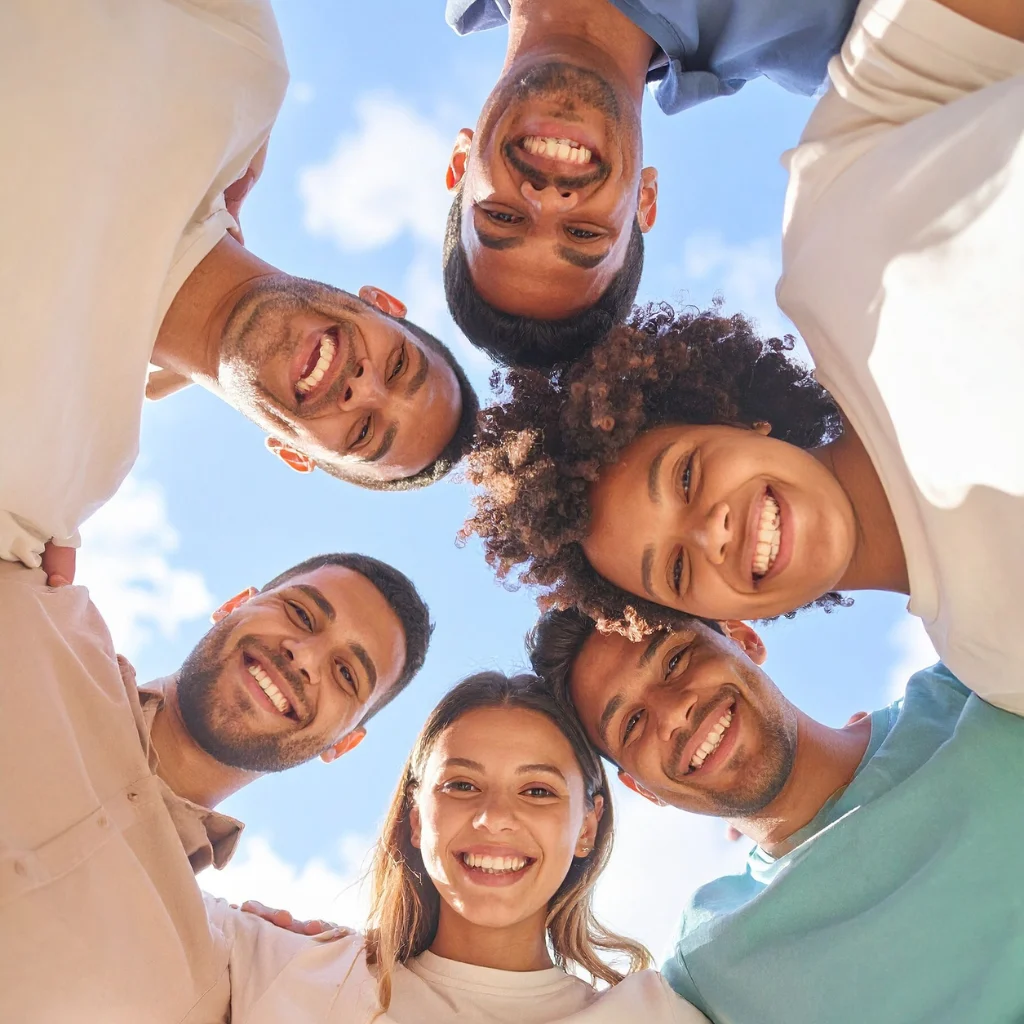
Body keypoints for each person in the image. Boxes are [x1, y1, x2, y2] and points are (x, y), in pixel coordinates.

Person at [0, 0, 479, 585]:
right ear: (383, 303)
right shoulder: (238, 65)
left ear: (296, 455)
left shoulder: (53, 483)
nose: (363, 388)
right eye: (399, 365)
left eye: (363, 432)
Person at [462, 301, 1022, 714]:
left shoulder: (879, 303)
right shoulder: (996, 664)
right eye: (677, 570)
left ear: (737, 419)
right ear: (730, 622)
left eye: (686, 476)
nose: (711, 535)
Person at [528, 607, 1024, 1023]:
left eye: (676, 660)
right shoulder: (706, 968)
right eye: (632, 723)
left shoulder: (970, 688)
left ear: (742, 637)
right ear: (643, 789)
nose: (673, 713)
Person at [0, 551, 431, 1022]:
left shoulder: (204, 987)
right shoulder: (30, 611)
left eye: (346, 674)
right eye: (301, 613)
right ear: (233, 604)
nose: (304, 657)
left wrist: (319, 969)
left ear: (342, 744)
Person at [206, 672, 707, 1023]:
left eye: (537, 791)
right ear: (416, 817)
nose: (494, 818)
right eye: (462, 785)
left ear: (587, 828)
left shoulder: (653, 1015)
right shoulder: (283, 967)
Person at [442, 0, 859, 368]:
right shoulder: (833, 35)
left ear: (461, 163)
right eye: (583, 232)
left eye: (502, 216)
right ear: (645, 200)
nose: (549, 199)